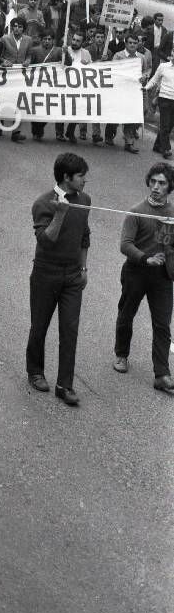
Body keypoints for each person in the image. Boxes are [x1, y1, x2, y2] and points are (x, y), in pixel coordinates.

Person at [26, 152, 91, 406]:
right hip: (46, 273)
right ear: (66, 177)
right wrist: (60, 214)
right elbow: (46, 240)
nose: (85, 180)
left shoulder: (85, 200)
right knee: (39, 325)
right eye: (81, 176)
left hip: (73, 275)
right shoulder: (43, 203)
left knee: (70, 330)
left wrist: (83, 268)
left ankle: (65, 385)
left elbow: (84, 236)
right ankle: (35, 371)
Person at [112, 163, 174, 394]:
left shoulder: (172, 214)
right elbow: (125, 245)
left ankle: (162, 374)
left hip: (162, 277)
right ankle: (121, 354)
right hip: (136, 272)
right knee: (126, 314)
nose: (156, 187)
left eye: (162, 183)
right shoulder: (136, 211)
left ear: (170, 187)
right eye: (153, 181)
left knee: (162, 324)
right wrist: (146, 259)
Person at [103, 33, 149, 152]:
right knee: (116, 114)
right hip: (120, 91)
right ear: (126, 43)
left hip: (134, 92)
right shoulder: (118, 56)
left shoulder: (141, 58)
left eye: (135, 43)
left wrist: (144, 76)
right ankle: (109, 134)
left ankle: (129, 142)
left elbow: (145, 71)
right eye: (130, 43)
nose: (132, 45)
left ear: (138, 44)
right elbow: (112, 71)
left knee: (134, 115)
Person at [147, 47, 174, 159]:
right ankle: (166, 148)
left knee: (170, 125)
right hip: (164, 98)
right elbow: (154, 79)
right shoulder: (163, 66)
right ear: (172, 53)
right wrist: (146, 87)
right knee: (165, 125)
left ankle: (157, 145)